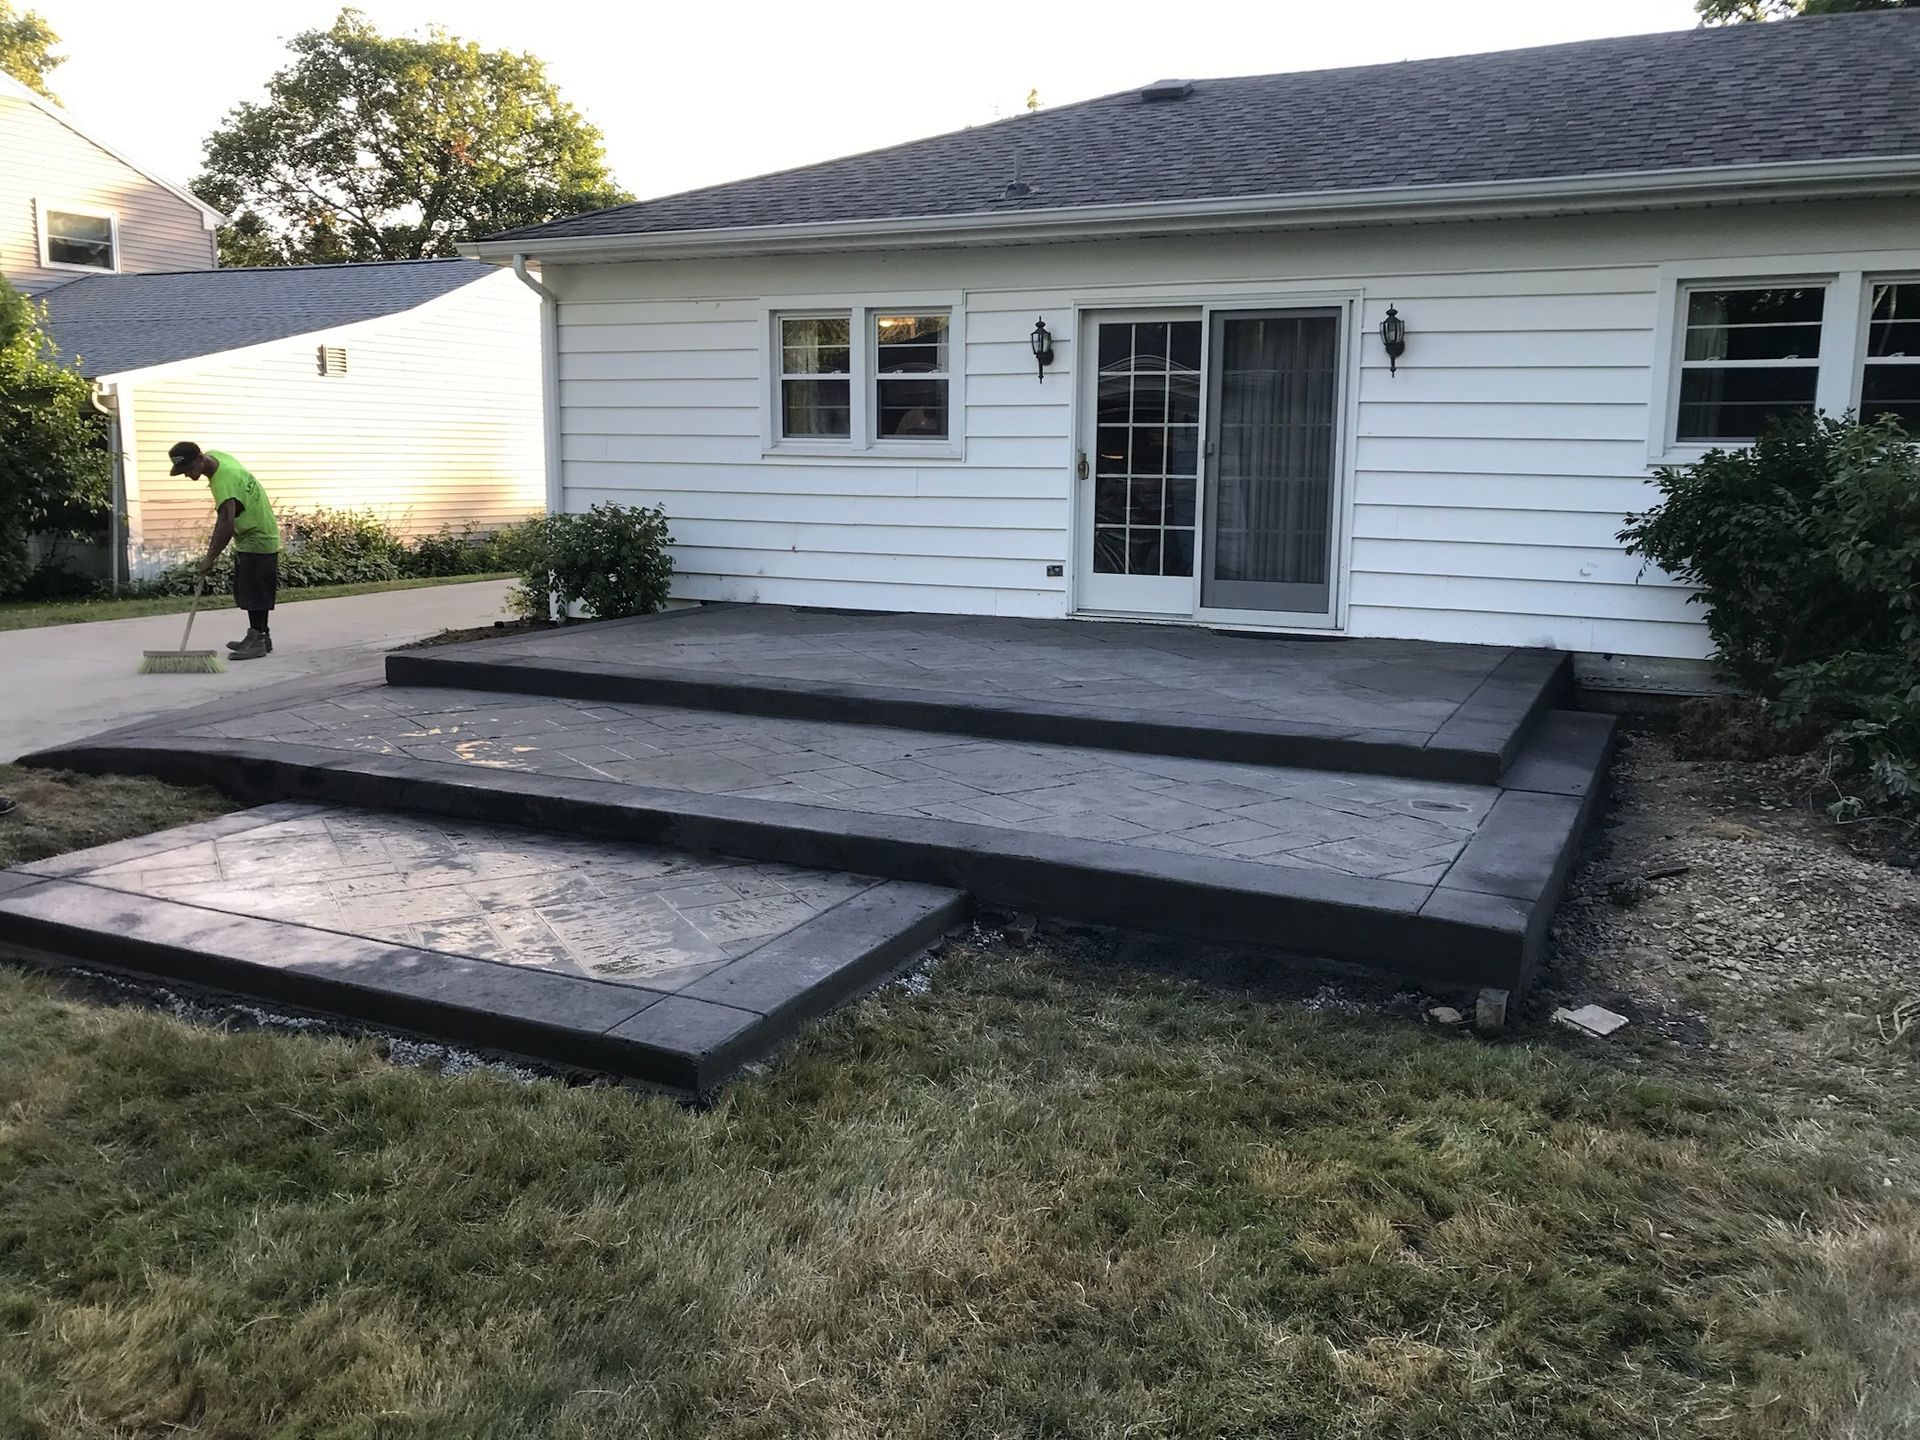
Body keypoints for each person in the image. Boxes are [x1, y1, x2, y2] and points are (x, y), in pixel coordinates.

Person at [168, 441, 281, 660]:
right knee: (250, 589)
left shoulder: (223, 482)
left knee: (253, 593)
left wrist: (209, 557)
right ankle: (261, 636)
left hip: (257, 536)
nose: (187, 476)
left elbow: (226, 523)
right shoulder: (217, 457)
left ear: (200, 459)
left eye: (189, 470)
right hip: (256, 531)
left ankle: (256, 639)